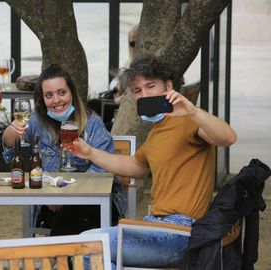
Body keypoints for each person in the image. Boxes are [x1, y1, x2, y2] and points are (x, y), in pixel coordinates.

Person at [68, 54, 237, 269]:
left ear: (168, 86)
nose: (144, 95)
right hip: (157, 226)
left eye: (150, 86)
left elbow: (228, 138)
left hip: (180, 233)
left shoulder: (188, 120)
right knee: (86, 243)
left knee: (88, 245)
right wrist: (90, 152)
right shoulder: (157, 132)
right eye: (137, 91)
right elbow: (135, 167)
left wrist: (193, 111)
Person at [2, 64, 126, 236]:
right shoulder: (36, 121)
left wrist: (66, 194)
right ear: (42, 99)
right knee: (72, 222)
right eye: (49, 95)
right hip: (50, 203)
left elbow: (102, 170)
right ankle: (72, 260)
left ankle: (61, 257)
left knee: (75, 214)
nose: (56, 100)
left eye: (62, 92)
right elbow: (11, 152)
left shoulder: (92, 123)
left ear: (72, 94)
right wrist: (10, 132)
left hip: (95, 200)